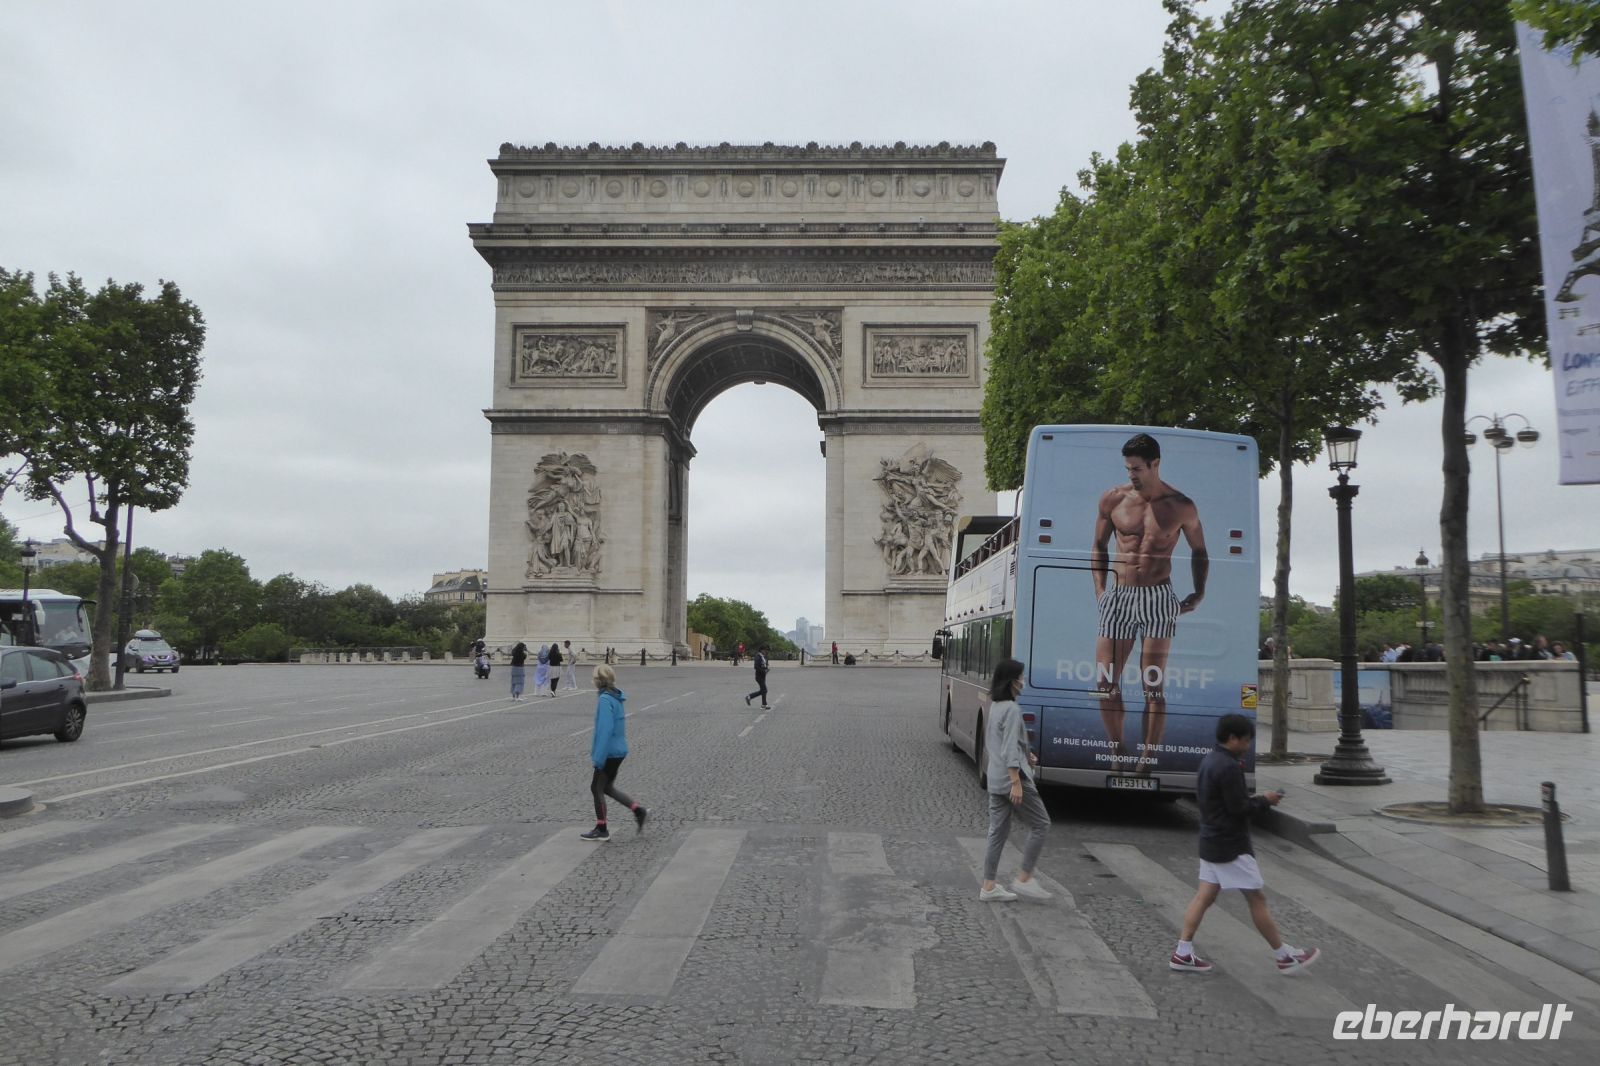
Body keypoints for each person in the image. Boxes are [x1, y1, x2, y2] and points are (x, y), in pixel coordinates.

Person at [1091, 433, 1209, 776]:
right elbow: (1098, 545)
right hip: (1119, 595)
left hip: (1158, 597)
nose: (1131, 474)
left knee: (1152, 686)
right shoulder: (1113, 499)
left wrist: (1198, 592)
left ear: (1155, 463)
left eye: (1137, 468)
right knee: (1104, 683)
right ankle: (1118, 751)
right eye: (1128, 468)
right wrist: (1100, 589)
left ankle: (1146, 761)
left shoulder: (1181, 505)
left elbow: (1200, 550)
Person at [1170, 713, 1319, 976]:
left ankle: (1182, 952)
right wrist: (1266, 800)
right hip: (1230, 845)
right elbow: (1239, 809)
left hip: (1210, 839)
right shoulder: (1228, 766)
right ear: (1233, 738)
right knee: (1256, 898)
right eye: (1247, 740)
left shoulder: (1209, 760)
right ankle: (1283, 956)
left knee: (1204, 896)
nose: (1248, 746)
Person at [978, 658, 1052, 902]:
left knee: (997, 832)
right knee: (1041, 823)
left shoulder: (996, 705)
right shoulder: (1011, 709)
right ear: (1012, 681)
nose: (1023, 682)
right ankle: (1025, 878)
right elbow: (1009, 747)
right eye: (1021, 677)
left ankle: (988, 886)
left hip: (995, 777)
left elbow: (999, 742)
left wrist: (1026, 753)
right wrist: (1017, 782)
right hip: (1012, 778)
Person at [581, 664, 647, 841]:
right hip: (618, 750)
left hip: (609, 753)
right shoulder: (615, 697)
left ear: (597, 681)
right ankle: (638, 810)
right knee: (607, 788)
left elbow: (605, 730)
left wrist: (599, 758)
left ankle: (602, 828)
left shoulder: (604, 700)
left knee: (596, 788)